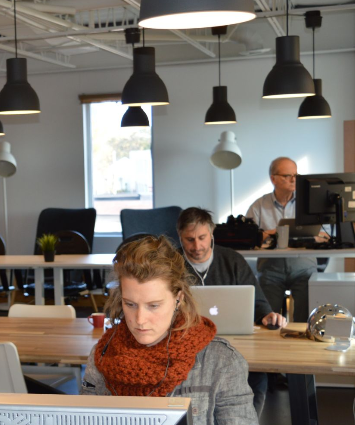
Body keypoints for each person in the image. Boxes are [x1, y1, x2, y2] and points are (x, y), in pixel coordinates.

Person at [81, 235, 257, 424]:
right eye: (130, 304)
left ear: (178, 299)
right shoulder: (102, 355)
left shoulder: (221, 362)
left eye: (154, 305)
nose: (140, 319)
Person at [177, 207, 285, 416]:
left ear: (211, 233)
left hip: (233, 342)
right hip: (186, 342)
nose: (197, 246)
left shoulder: (232, 260)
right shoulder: (171, 265)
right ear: (180, 237)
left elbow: (258, 302)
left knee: (255, 374)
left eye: (202, 237)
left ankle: (247, 419)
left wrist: (267, 314)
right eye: (189, 240)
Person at [246, 157, 317, 323]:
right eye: (287, 175)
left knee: (306, 318)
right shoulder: (259, 206)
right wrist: (271, 234)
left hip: (303, 267)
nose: (294, 179)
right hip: (271, 268)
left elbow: (327, 235)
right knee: (267, 317)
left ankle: (302, 345)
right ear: (273, 179)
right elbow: (247, 236)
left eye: (296, 175)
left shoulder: (309, 203)